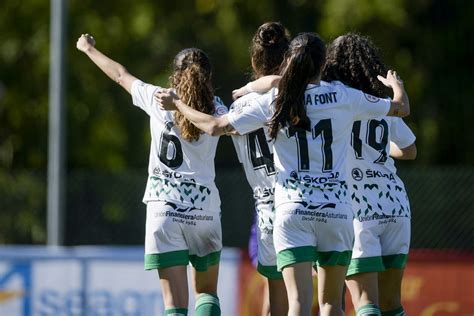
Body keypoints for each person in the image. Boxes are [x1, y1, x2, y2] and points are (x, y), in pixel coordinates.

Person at [155, 32, 410, 316]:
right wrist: (397, 88)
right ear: (322, 63)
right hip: (338, 210)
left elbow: (215, 126)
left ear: (289, 61)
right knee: (331, 305)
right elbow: (400, 109)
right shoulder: (343, 95)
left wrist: (178, 104)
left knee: (297, 304)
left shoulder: (277, 99)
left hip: (293, 210)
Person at [76, 34, 226, 316]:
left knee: (174, 306)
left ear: (175, 75)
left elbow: (121, 75)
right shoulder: (217, 109)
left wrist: (88, 49)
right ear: (207, 77)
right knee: (206, 293)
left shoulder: (157, 97)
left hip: (164, 210)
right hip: (204, 209)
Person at [322, 33, 416, 316]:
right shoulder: (382, 104)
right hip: (395, 205)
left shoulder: (333, 104)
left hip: (358, 208)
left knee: (366, 303)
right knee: (392, 305)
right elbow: (410, 150)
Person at [231, 22, 291, 316]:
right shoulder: (293, 97)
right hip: (299, 197)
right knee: (323, 291)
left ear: (254, 62)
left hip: (265, 205)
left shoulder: (237, 108)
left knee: (275, 297)